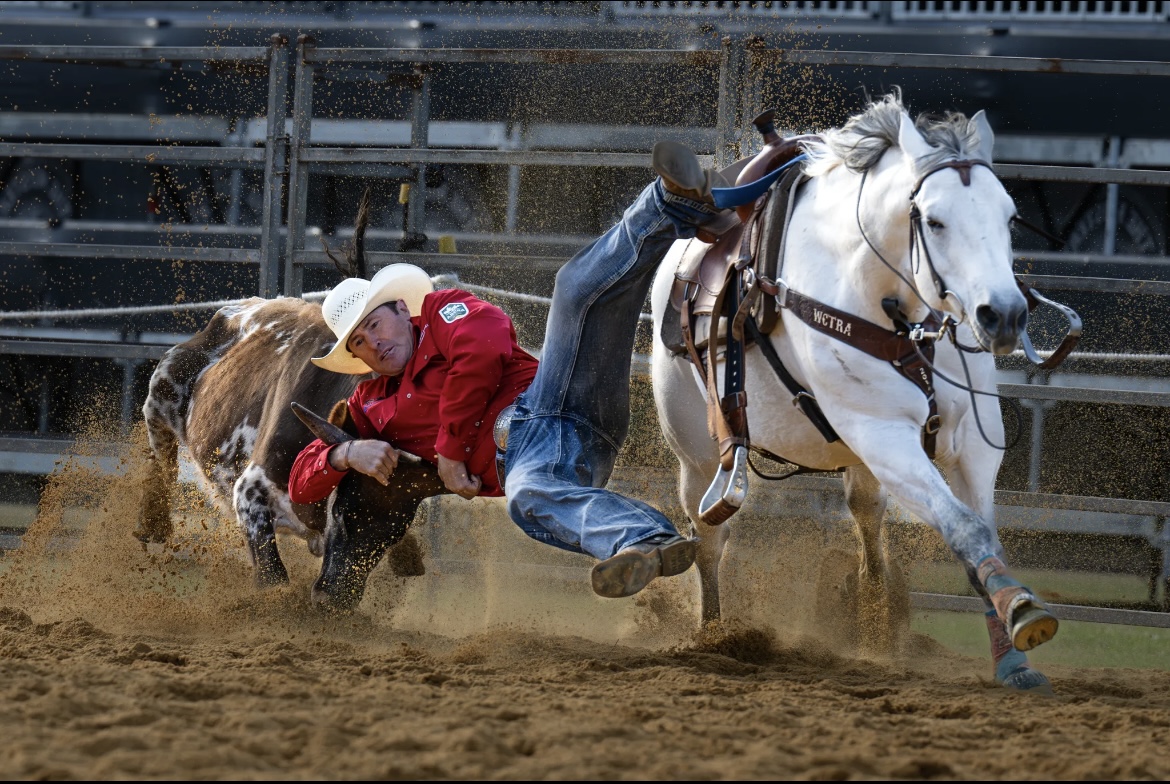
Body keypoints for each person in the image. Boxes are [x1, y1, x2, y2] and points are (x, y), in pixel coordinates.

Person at [293, 142, 732, 600]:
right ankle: (646, 539)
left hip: (556, 395)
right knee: (527, 496)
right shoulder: (370, 406)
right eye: (359, 342)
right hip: (539, 461)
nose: (374, 343)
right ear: (357, 358)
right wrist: (345, 454)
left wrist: (450, 451)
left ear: (402, 309)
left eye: (374, 324)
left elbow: (483, 349)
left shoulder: (442, 310)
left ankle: (668, 198)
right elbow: (300, 485)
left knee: (574, 289)